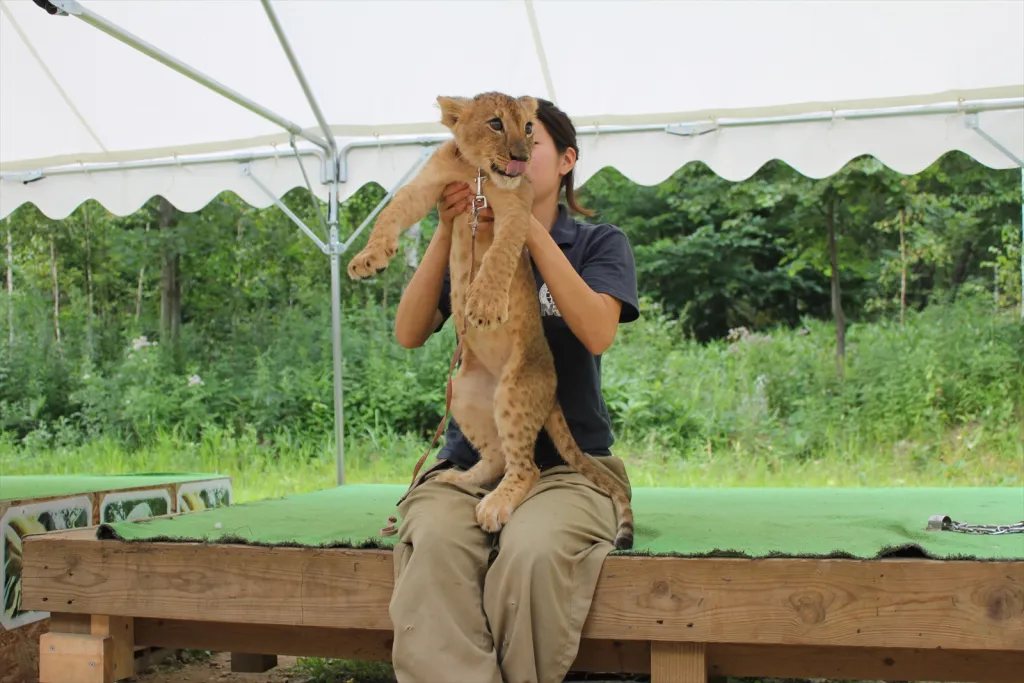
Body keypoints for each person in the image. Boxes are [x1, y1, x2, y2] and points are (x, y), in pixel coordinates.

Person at [387, 98, 640, 683]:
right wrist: (448, 230)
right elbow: (408, 333)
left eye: (533, 137)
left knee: (532, 551)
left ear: (567, 159)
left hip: (570, 467)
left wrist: (522, 224)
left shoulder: (598, 243)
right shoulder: (470, 236)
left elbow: (599, 333)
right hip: (473, 458)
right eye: (503, 134)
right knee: (436, 542)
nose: (515, 148)